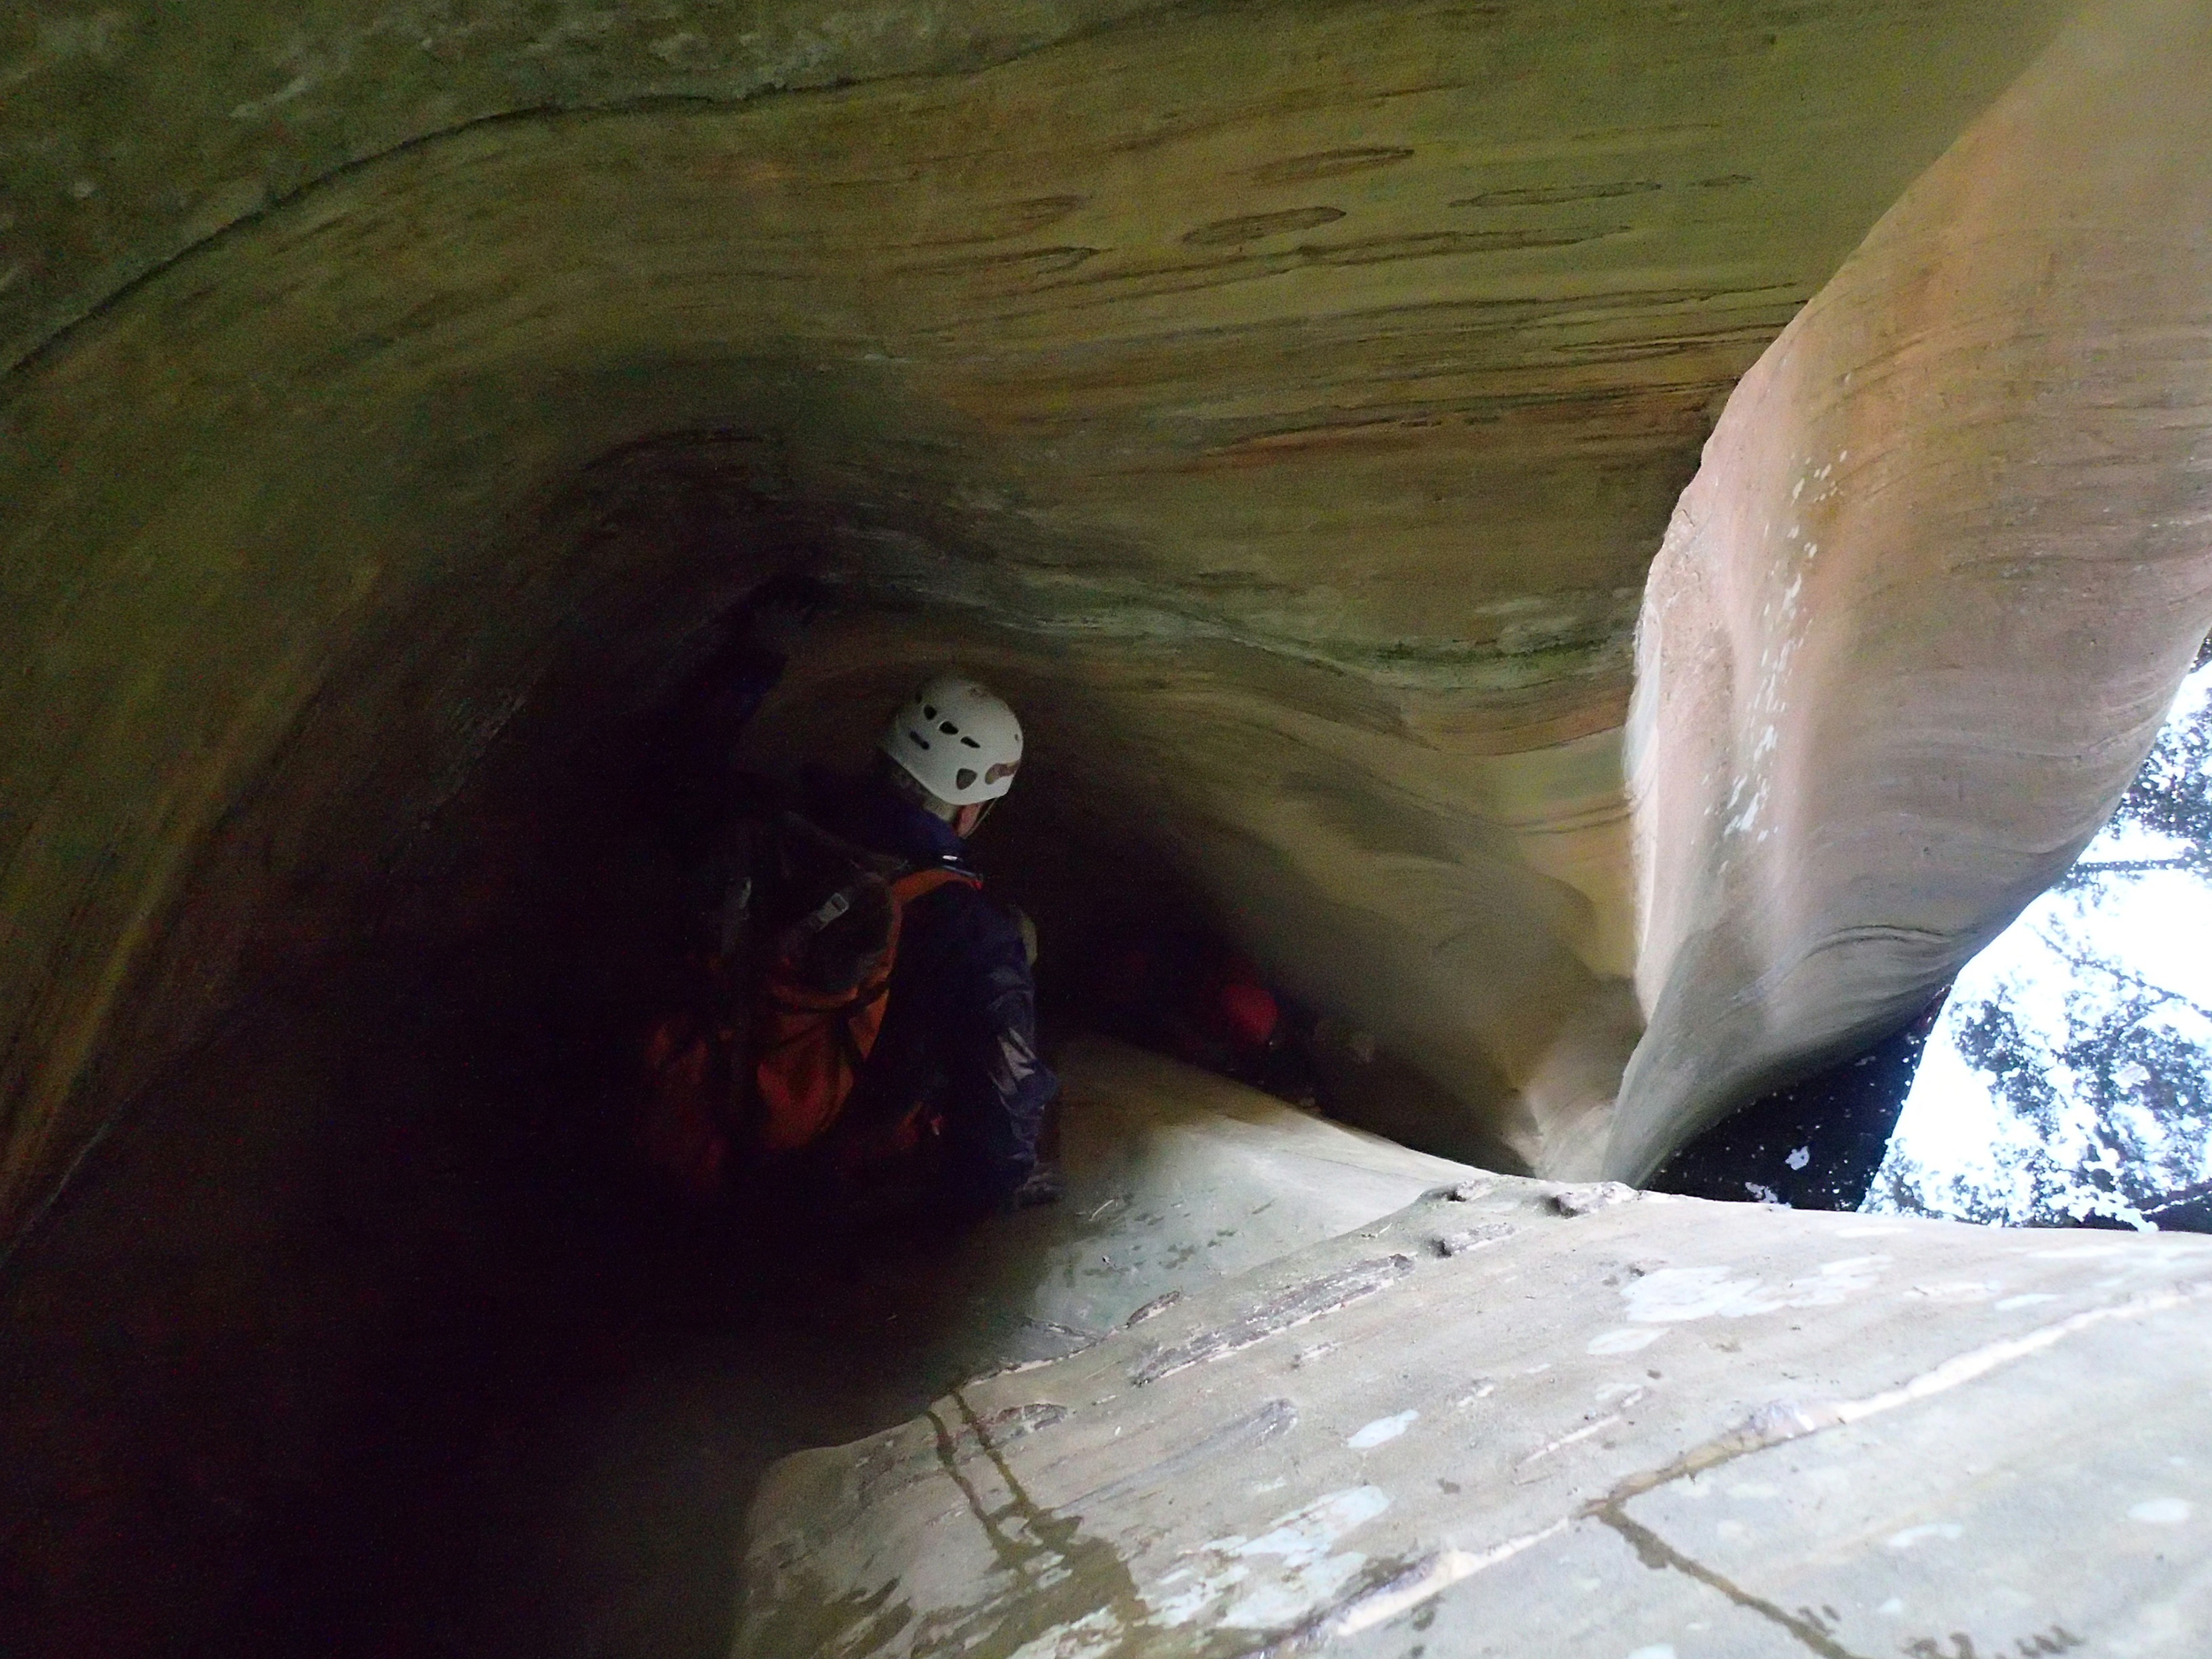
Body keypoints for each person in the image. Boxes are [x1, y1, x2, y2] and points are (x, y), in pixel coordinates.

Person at [643, 578, 1061, 1220]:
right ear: (972, 806)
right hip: (817, 1188)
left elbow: (679, 776)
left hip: (694, 1111)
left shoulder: (781, 820)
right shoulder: (973, 932)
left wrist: (756, 657)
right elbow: (1001, 1110)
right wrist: (997, 1190)